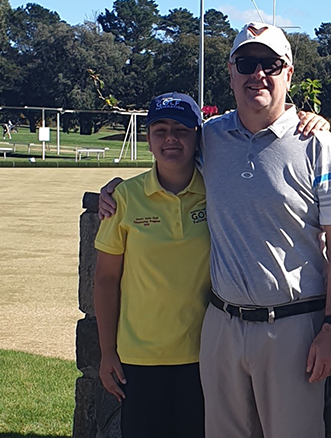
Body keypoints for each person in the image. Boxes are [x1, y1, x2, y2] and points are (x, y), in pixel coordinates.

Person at [100, 22, 331, 438]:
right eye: (247, 63)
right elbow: (170, 155)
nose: (259, 74)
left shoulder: (319, 145)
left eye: (271, 64)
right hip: (221, 326)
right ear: (231, 73)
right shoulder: (212, 137)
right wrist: (114, 190)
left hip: (292, 326)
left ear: (289, 74)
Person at [94, 92, 209, 438]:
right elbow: (105, 279)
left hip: (203, 354)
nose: (170, 138)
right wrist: (106, 352)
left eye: (181, 129)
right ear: (147, 139)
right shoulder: (124, 198)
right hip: (139, 359)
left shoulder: (217, 193)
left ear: (197, 136)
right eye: (160, 130)